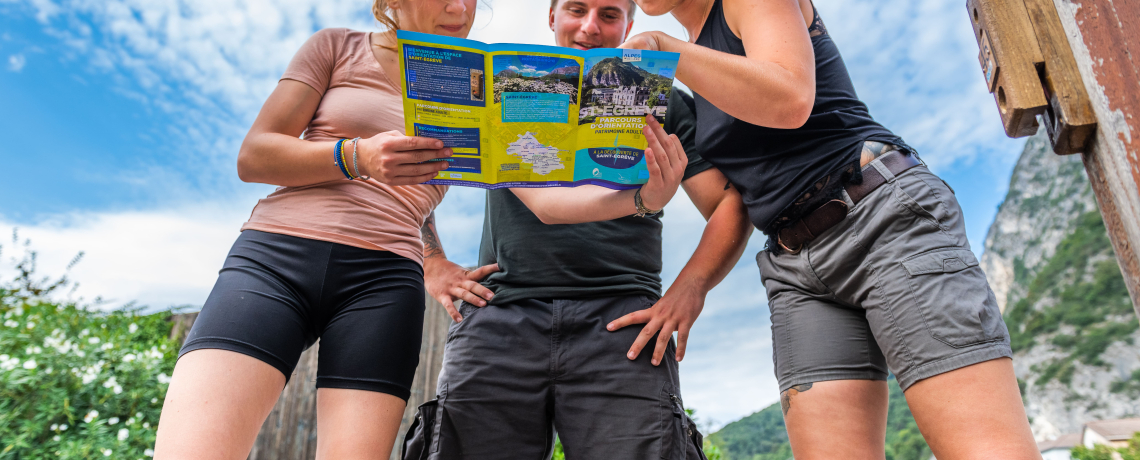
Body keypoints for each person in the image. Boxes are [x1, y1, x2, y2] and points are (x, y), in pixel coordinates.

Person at [618, 0, 1042, 459]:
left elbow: (790, 98)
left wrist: (665, 49)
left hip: (879, 218)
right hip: (794, 266)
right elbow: (729, 198)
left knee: (985, 450)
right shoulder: (693, 67)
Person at [405, 0, 754, 458]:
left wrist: (692, 288)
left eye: (609, 15)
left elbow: (730, 200)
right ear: (552, 16)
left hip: (623, 323)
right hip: (499, 314)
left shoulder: (664, 100)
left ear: (629, 25)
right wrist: (432, 261)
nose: (590, 26)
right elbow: (415, 167)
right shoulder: (504, 87)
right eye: (576, 9)